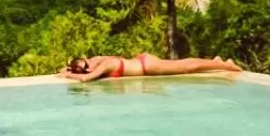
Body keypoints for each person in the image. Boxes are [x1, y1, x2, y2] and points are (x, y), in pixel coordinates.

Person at [59, 53, 241, 82]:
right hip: (142, 61)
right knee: (186, 64)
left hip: (147, 66)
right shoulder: (97, 59)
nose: (88, 68)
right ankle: (216, 60)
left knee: (187, 66)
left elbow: (85, 79)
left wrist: (67, 75)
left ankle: (224, 64)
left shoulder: (102, 65)